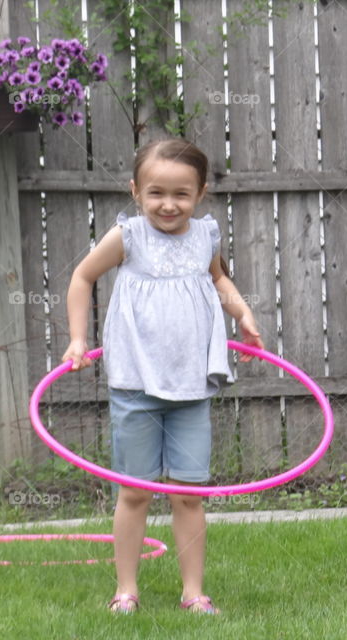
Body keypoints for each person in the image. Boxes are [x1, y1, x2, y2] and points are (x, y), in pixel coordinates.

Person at [61, 137, 264, 615]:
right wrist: (76, 338)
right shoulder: (128, 237)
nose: (168, 205)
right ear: (136, 190)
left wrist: (244, 316)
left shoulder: (205, 237)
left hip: (191, 386)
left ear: (201, 193)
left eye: (181, 194)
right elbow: (81, 277)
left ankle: (193, 593)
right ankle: (125, 590)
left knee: (189, 495)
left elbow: (219, 280)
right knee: (134, 491)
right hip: (136, 383)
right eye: (156, 193)